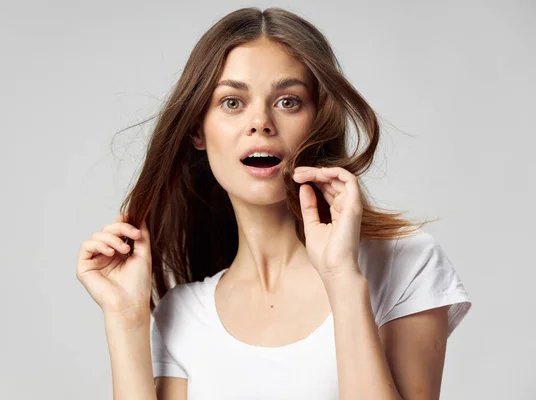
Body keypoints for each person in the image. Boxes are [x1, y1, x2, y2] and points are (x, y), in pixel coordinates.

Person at [76, 7, 471, 400]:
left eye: (288, 102)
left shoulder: (405, 264)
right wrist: (126, 319)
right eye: (232, 102)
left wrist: (341, 279)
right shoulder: (183, 315)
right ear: (197, 128)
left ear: (318, 122)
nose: (260, 122)